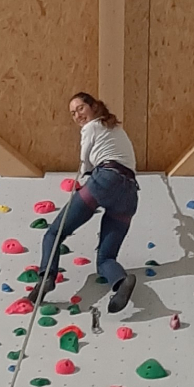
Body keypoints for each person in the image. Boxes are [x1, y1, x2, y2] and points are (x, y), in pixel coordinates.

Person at [28, 92, 139, 314]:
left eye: (80, 108)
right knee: (106, 258)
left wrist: (84, 175)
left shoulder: (92, 126)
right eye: (73, 113)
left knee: (54, 233)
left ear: (94, 107)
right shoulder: (116, 129)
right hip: (129, 195)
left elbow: (85, 161)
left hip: (106, 180)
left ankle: (47, 278)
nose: (77, 115)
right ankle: (121, 282)